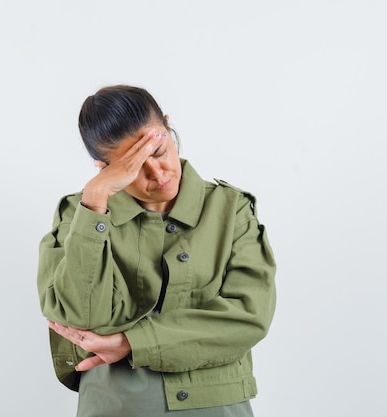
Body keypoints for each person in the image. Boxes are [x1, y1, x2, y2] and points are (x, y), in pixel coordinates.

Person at [37, 85, 276, 416]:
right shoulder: (80, 215)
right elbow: (80, 319)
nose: (158, 174)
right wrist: (95, 205)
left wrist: (131, 343)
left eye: (160, 151)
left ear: (167, 125)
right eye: (131, 167)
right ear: (103, 167)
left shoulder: (231, 209)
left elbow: (248, 318)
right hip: (118, 407)